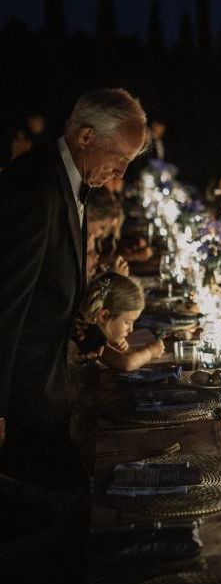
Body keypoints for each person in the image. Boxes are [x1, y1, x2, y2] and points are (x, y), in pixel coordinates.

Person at [0, 87, 148, 488]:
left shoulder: (69, 179)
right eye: (119, 160)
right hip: (24, 400)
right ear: (86, 137)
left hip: (46, 389)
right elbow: (6, 306)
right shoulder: (35, 188)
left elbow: (44, 288)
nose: (120, 175)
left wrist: (81, 330)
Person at [79, 273, 164, 372]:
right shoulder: (85, 333)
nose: (131, 329)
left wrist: (112, 344)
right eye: (128, 322)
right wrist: (150, 352)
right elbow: (127, 363)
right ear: (104, 316)